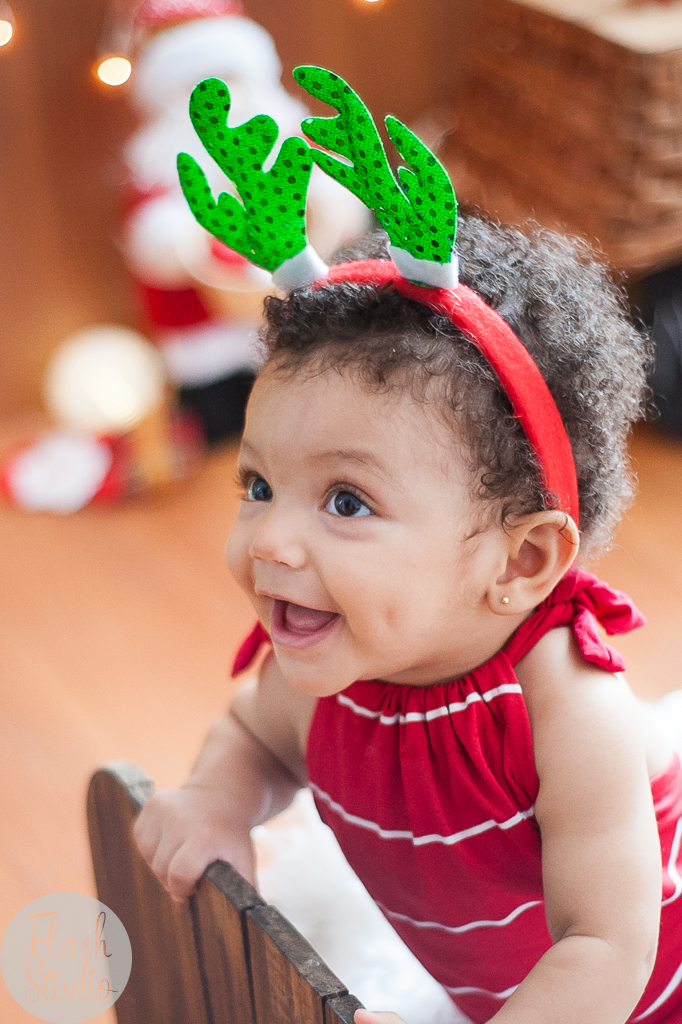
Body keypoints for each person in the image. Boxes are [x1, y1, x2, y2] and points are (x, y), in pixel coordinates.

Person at [132, 212, 682, 1024]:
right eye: (259, 487)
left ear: (520, 561)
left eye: (346, 501)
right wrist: (217, 801)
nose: (269, 540)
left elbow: (606, 947)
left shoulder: (566, 709)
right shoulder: (325, 670)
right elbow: (254, 738)